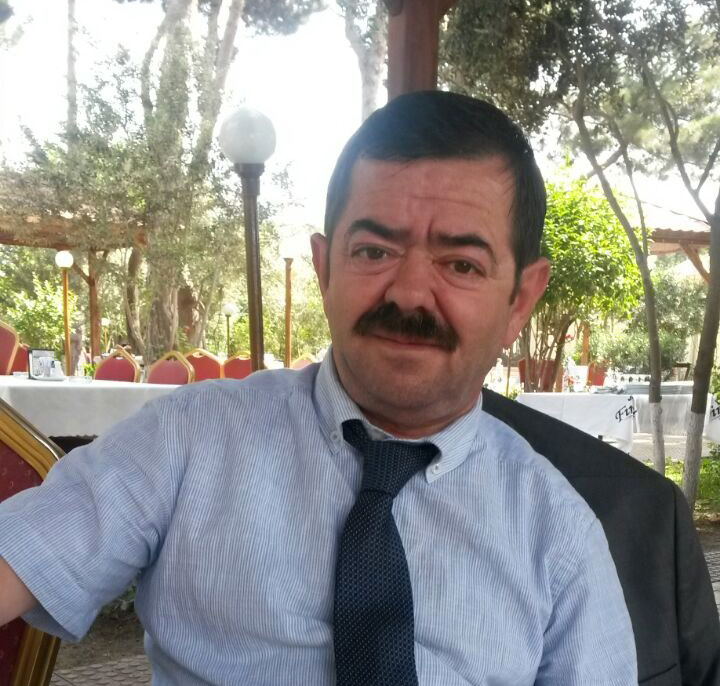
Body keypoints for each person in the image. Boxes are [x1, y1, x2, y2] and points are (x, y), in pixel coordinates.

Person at [0, 91, 675, 685]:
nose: (409, 292)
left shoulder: (557, 534)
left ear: (520, 299)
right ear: (325, 269)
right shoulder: (186, 441)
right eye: (374, 251)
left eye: (461, 264)